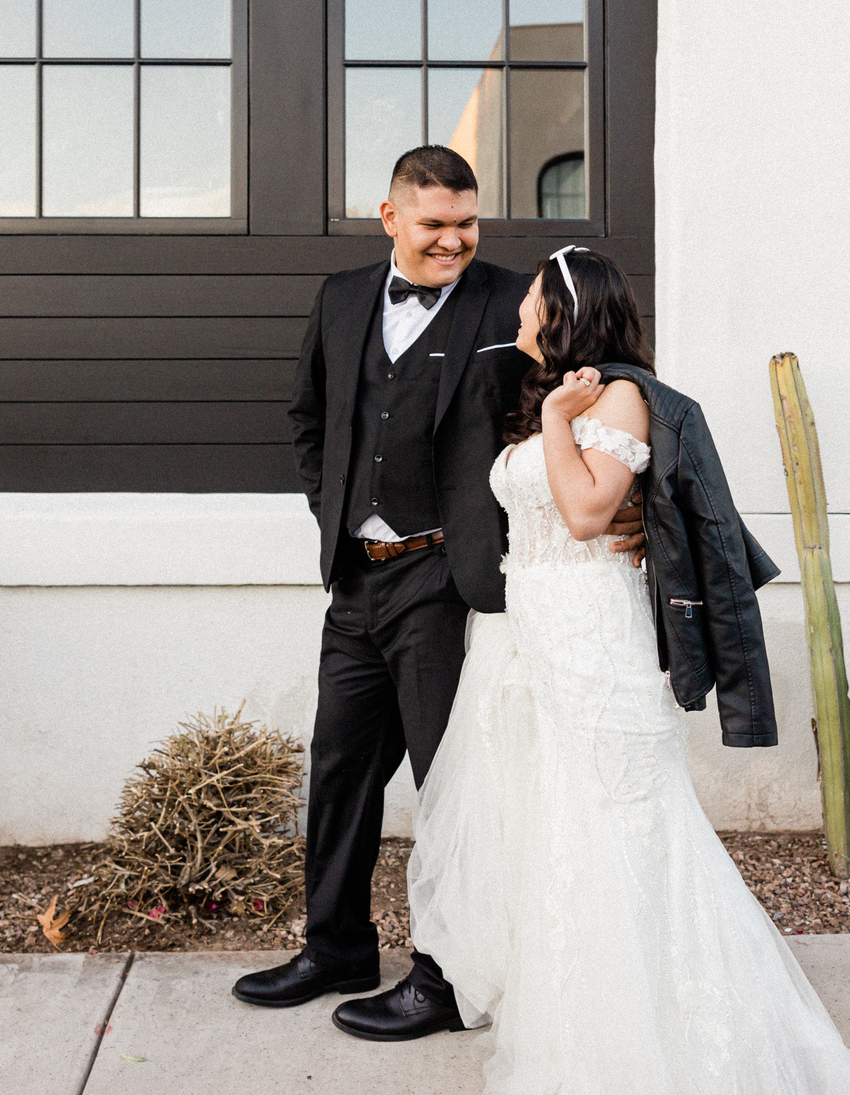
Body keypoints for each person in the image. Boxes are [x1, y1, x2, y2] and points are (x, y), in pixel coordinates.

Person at [406, 246, 850, 1092]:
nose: (517, 314)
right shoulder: (557, 394)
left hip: (593, 634)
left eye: (529, 302)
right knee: (558, 818)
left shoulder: (616, 395)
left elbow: (589, 513)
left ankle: (664, 1038)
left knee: (621, 816)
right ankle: (579, 1023)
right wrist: (550, 417)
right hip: (534, 634)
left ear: (565, 310)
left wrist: (558, 423)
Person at [233, 147, 643, 1040]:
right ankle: (334, 944)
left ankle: (447, 974)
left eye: (467, 223)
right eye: (434, 225)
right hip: (356, 575)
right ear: (391, 218)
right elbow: (308, 416)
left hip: (447, 579)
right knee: (339, 768)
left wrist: (619, 486)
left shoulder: (512, 300)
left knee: (452, 781)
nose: (455, 241)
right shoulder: (342, 299)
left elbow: (607, 375)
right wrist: (334, 508)